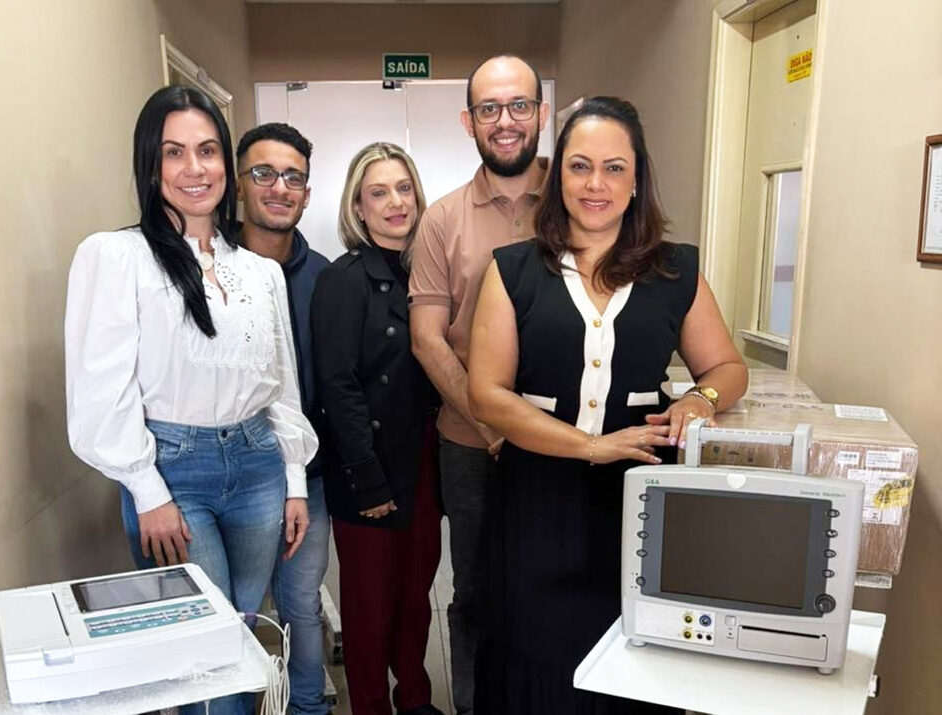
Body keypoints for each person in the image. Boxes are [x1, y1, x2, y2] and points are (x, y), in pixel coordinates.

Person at [467, 96, 748, 714]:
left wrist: (700, 399)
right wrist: (590, 446)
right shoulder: (513, 271)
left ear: (637, 179)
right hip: (537, 501)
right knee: (537, 657)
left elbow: (728, 368)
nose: (596, 184)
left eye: (614, 168)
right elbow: (486, 395)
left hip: (640, 503)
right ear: (557, 176)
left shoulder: (675, 270)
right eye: (580, 166)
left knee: (632, 656)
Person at [65, 86, 318, 715]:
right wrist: (145, 491)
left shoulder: (260, 272)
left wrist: (293, 480)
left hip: (258, 465)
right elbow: (102, 391)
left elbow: (282, 383)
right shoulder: (116, 256)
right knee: (203, 654)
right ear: (151, 166)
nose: (194, 168)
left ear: (226, 164)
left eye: (207, 150)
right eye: (173, 152)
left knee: (242, 632)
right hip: (171, 471)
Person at [408, 53, 549, 715]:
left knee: (557, 584)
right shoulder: (442, 219)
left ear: (541, 114)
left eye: (519, 105)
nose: (505, 120)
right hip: (470, 445)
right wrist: (492, 422)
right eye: (489, 108)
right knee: (476, 591)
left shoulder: (579, 202)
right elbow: (427, 338)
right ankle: (475, 705)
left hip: (566, 440)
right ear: (469, 122)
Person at [312, 143, 443, 715]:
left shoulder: (429, 273)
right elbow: (337, 386)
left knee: (416, 598)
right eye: (379, 192)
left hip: (423, 460)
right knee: (370, 608)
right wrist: (366, 477)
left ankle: (414, 698)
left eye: (404, 188)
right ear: (358, 208)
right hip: (367, 466)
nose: (396, 202)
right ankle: (370, 706)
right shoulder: (342, 280)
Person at [236, 122, 332, 715]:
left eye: (293, 177)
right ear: (239, 184)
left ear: (307, 192)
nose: (279, 187)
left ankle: (308, 706)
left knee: (301, 605)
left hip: (308, 480)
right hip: (229, 479)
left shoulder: (325, 277)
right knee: (235, 611)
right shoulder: (204, 267)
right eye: (264, 173)